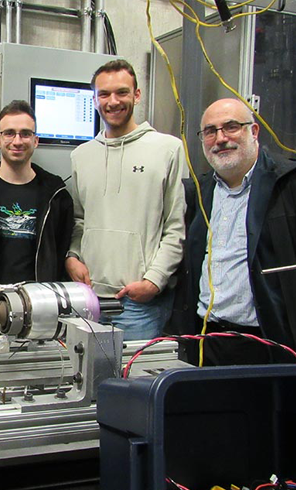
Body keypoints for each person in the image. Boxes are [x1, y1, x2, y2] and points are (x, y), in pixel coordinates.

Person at [179, 98, 296, 365]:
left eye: (231, 127)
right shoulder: (200, 191)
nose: (220, 138)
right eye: (210, 131)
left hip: (272, 342)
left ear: (253, 131)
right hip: (208, 340)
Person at [66, 59, 186, 341]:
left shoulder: (168, 149)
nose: (113, 101)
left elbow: (175, 226)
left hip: (139, 304)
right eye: (104, 94)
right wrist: (72, 256)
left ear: (137, 95)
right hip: (90, 299)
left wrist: (154, 280)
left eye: (122, 92)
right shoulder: (81, 155)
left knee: (136, 371)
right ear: (94, 100)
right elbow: (79, 220)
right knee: (89, 371)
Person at [0, 100, 74, 345]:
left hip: (40, 319)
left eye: (25, 134)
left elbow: (62, 256)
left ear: (35, 140)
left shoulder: (57, 197)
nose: (17, 141)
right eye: (9, 133)